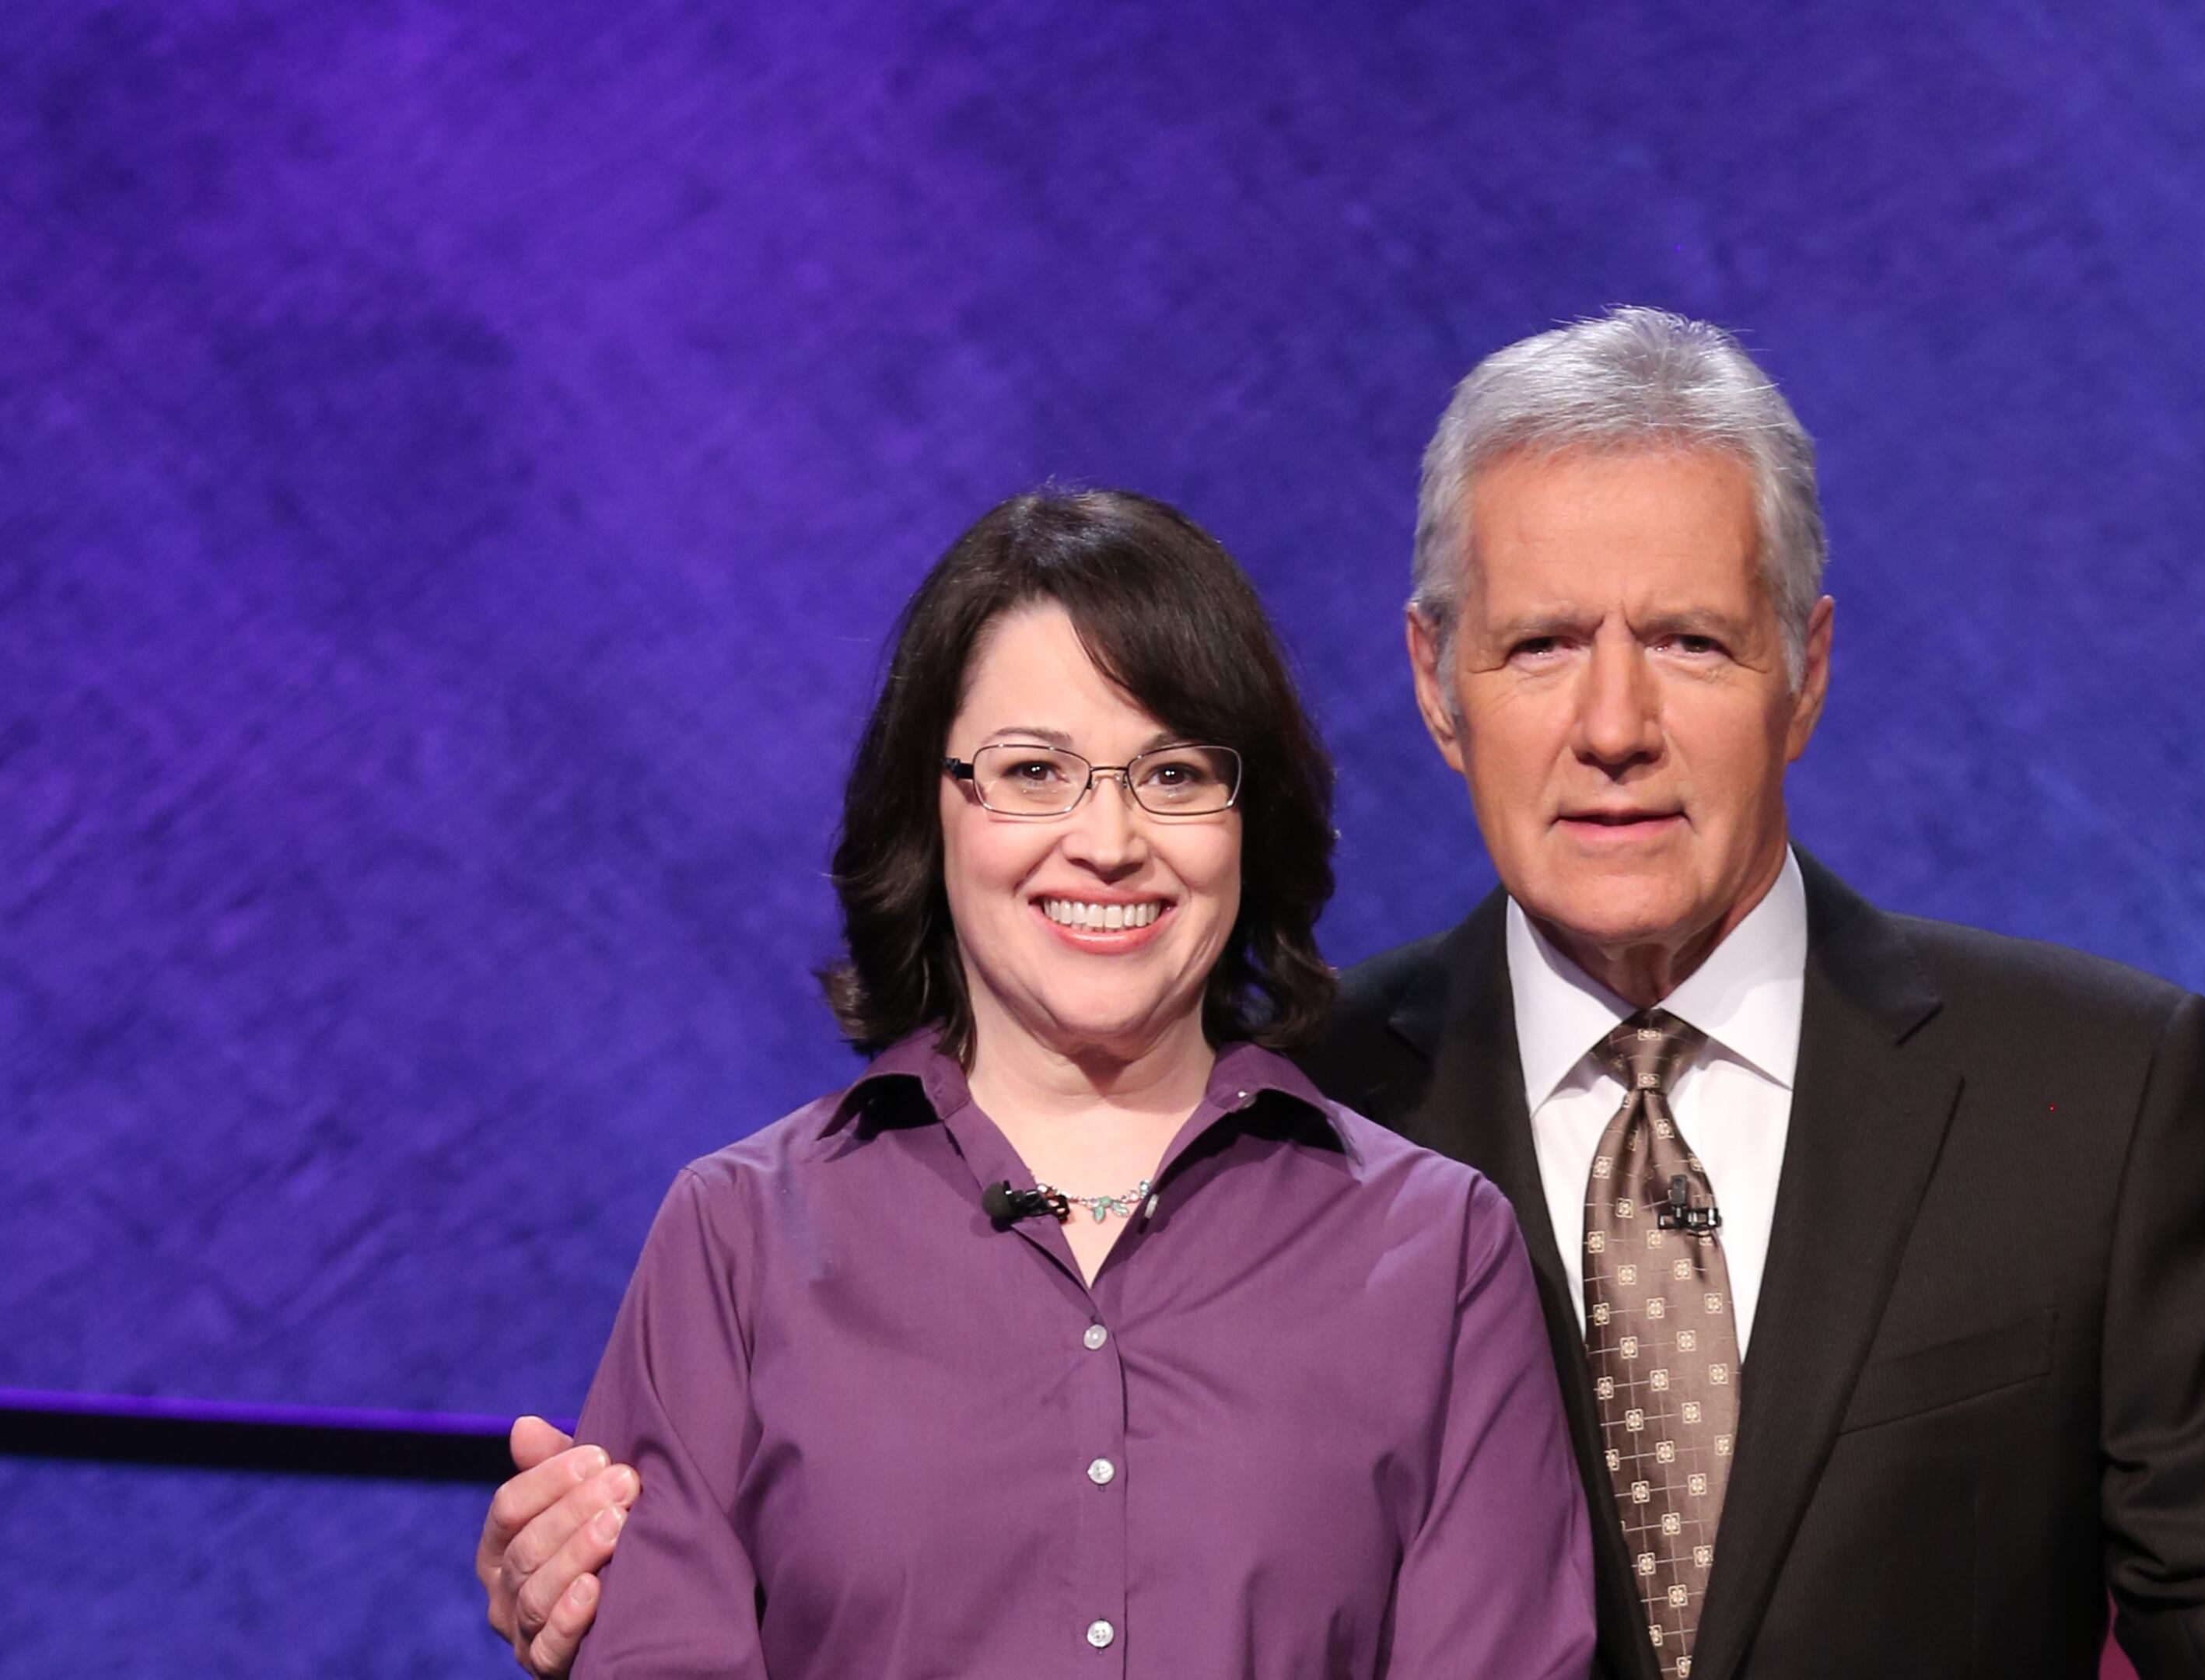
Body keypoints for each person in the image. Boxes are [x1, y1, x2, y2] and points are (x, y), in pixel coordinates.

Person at [485, 310, 2205, 1678]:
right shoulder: (1276, 1118)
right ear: (1432, 683)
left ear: (1809, 667)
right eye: (1538, 646)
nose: (1610, 728)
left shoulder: (2086, 1095)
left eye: (1685, 639)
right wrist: (599, 1577)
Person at [523, 488, 1594, 1678]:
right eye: (1033, 771)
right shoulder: (736, 1243)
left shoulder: (1439, 1253)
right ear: (929, 813)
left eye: (1175, 776)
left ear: (1251, 824)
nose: (1109, 840)